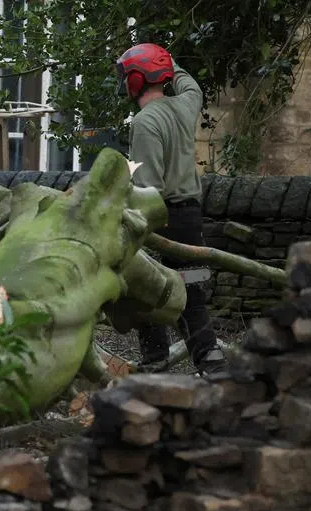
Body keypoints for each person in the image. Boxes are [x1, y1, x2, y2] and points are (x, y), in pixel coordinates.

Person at [115, 42, 227, 376]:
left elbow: (150, 188)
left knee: (146, 286)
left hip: (160, 216)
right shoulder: (186, 104)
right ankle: (210, 360)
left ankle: (155, 358)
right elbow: (189, 83)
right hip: (190, 216)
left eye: (126, 76)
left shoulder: (145, 122)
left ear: (136, 79)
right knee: (190, 288)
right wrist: (166, 61)